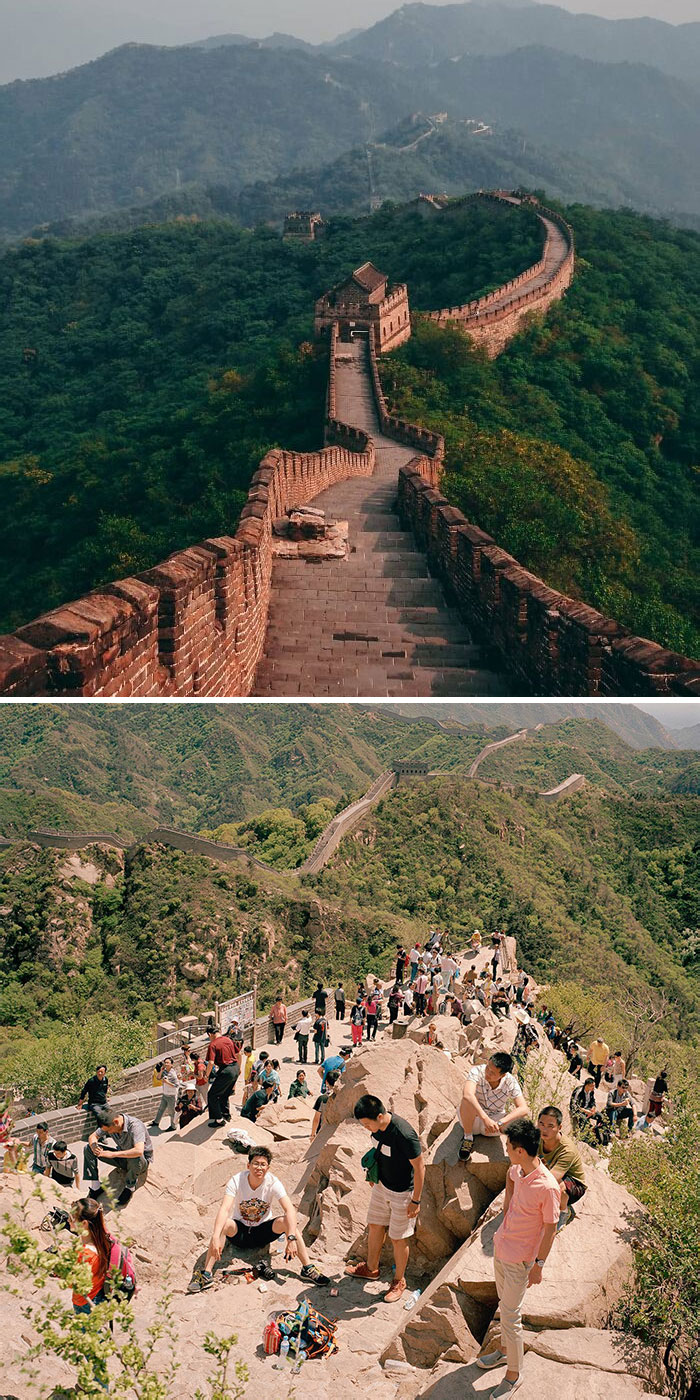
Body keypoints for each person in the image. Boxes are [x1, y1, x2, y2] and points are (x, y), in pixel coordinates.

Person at [475, 1119, 560, 1397]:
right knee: (505, 1306)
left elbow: (550, 1228)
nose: (507, 1150)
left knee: (511, 1317)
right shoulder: (517, 1169)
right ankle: (503, 1352)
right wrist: (507, 1208)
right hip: (502, 1248)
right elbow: (511, 1180)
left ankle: (514, 1375)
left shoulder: (548, 1187)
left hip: (520, 1260)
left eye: (509, 1146)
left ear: (521, 1150)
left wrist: (539, 1265)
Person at [189, 1145, 329, 1292]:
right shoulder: (237, 1180)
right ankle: (206, 1274)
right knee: (224, 1225)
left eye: (263, 1164)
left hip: (262, 1233)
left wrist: (291, 1238)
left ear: (268, 1167)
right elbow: (224, 1209)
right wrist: (216, 1236)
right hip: (240, 1232)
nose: (259, 1168)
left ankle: (307, 1268)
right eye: (255, 1163)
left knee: (287, 1222)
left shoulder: (273, 1182)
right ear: (248, 1165)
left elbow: (289, 1210)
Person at [346, 1093, 424, 1305]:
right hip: (382, 1186)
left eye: (366, 1124)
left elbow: (419, 1167)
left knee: (398, 1238)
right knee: (375, 1225)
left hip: (403, 1192)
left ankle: (399, 1281)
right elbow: (378, 1150)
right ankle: (371, 1269)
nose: (365, 1128)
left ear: (380, 1116)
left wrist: (415, 1200)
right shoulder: (376, 1129)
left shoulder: (404, 1134)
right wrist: (374, 1175)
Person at [458, 1053, 528, 1162]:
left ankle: (514, 1156)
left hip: (494, 1126)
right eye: (487, 1067)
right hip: (472, 1121)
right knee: (467, 1100)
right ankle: (468, 1138)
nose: (487, 1073)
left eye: (492, 1072)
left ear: (503, 1075)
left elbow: (524, 1108)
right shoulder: (477, 1071)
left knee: (521, 1121)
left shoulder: (510, 1081)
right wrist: (485, 1119)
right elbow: (467, 1094)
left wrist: (500, 1122)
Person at [84, 1106, 153, 1206]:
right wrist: (94, 1147)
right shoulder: (109, 1124)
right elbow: (92, 1136)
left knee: (135, 1156)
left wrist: (112, 1154)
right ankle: (95, 1186)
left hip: (139, 1162)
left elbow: (138, 1151)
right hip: (123, 1158)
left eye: (109, 1130)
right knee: (88, 1149)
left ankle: (130, 1187)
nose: (109, 1133)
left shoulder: (135, 1126)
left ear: (116, 1122)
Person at [537, 1106, 587, 1229]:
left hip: (574, 1182)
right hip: (550, 1171)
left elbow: (552, 1180)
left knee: (556, 1188)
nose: (544, 1130)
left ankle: (564, 1212)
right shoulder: (537, 1137)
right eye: (541, 1124)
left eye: (550, 1126)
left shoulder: (567, 1149)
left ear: (559, 1128)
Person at [69, 1197, 113, 1315]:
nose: (68, 1220)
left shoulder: (85, 1254)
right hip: (98, 1292)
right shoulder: (101, 1238)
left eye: (72, 1218)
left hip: (85, 1302)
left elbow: (74, 1282)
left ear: (84, 1223)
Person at [205, 1025, 242, 1128]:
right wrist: (239, 1068)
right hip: (234, 1068)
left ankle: (219, 1119)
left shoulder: (213, 1044)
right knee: (224, 1093)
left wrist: (206, 1075)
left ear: (210, 1034)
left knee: (212, 1095)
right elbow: (239, 1054)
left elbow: (211, 1062)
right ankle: (226, 1114)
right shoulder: (228, 1039)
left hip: (226, 1070)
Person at [570, 1078, 608, 1145]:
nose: (594, 1087)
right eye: (592, 1086)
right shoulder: (579, 1091)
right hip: (578, 1110)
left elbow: (593, 1101)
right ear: (587, 1085)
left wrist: (593, 1108)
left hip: (588, 1109)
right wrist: (585, 1111)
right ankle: (584, 1138)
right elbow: (574, 1105)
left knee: (601, 1117)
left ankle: (599, 1134)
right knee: (584, 1119)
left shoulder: (591, 1091)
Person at [150, 1056, 180, 1131]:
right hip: (165, 1094)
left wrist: (167, 1082)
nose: (166, 1064)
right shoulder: (164, 1071)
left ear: (171, 1064)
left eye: (167, 1063)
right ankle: (156, 1122)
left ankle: (173, 1126)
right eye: (165, 1062)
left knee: (171, 1112)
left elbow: (177, 1085)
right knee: (161, 1109)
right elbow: (158, 1078)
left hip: (171, 1096)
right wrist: (161, 1071)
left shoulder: (173, 1074)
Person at [311, 1069, 340, 1139]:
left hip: (322, 1132)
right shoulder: (342, 1096)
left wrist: (312, 1134)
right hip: (337, 1132)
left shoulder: (322, 1098)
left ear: (326, 1082)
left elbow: (316, 1119)